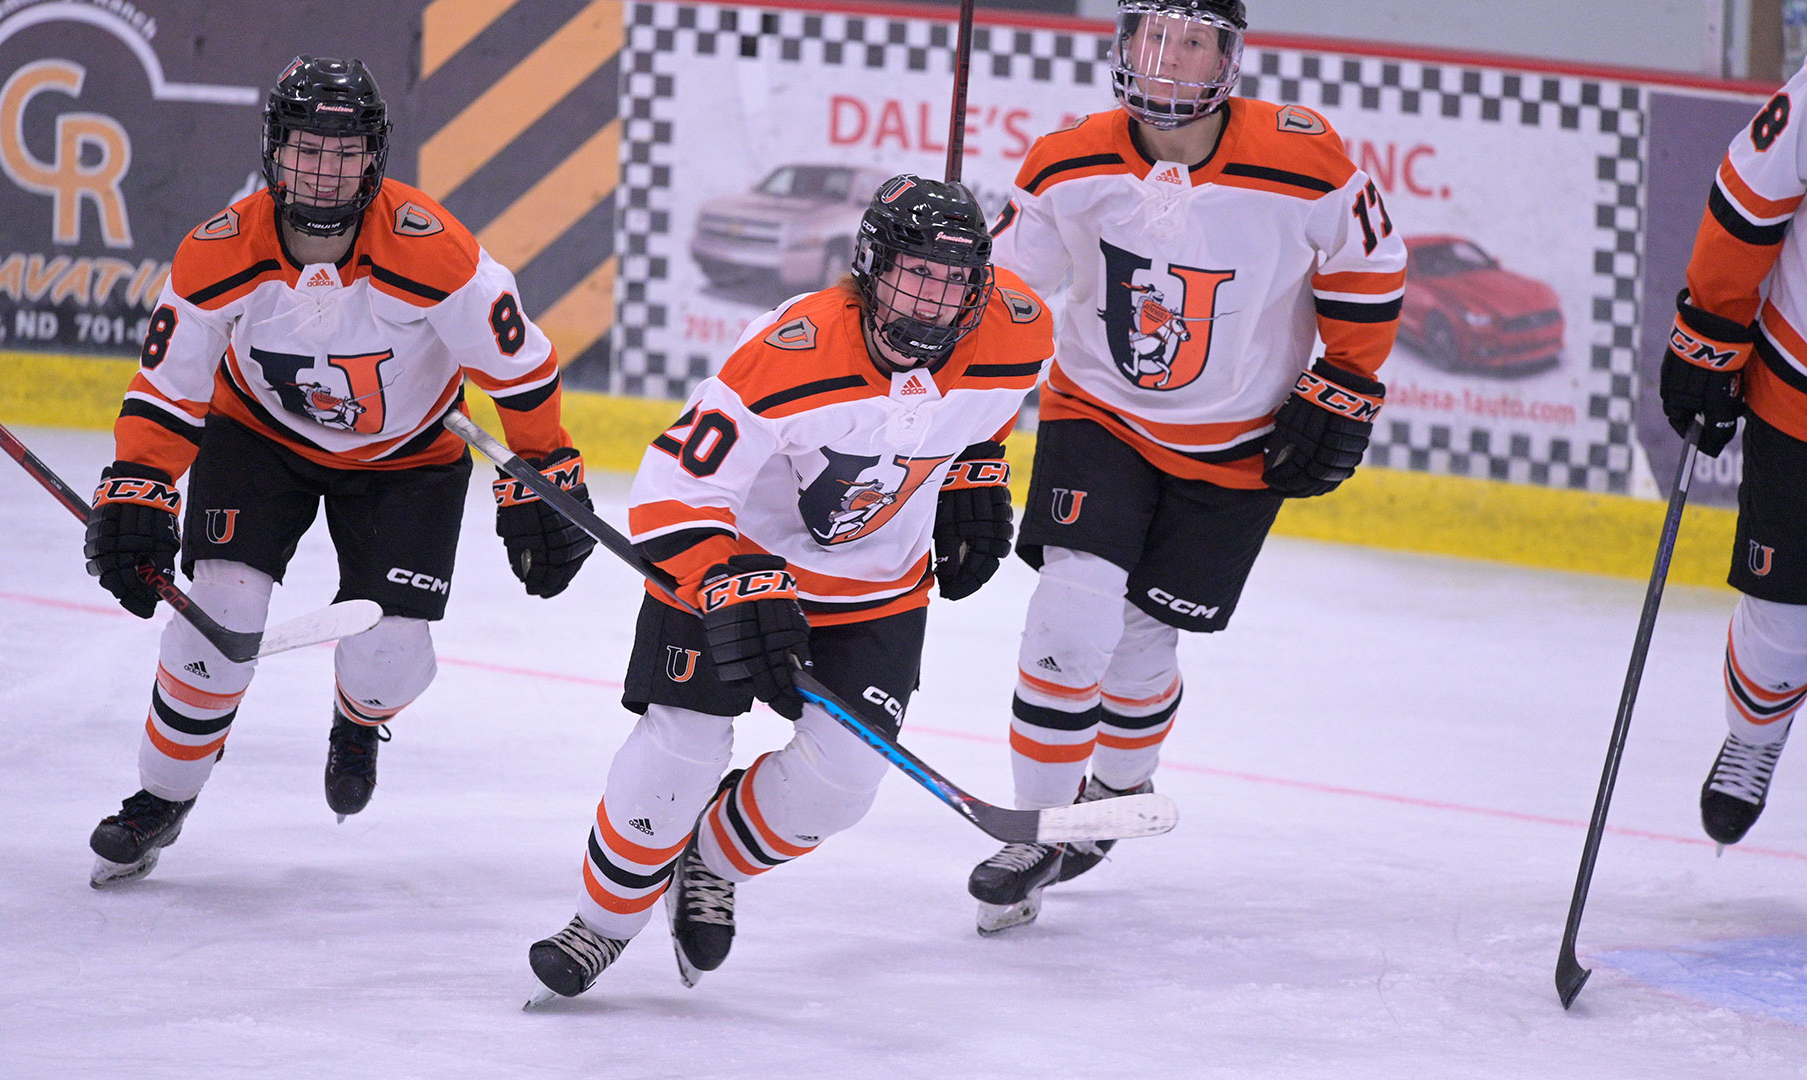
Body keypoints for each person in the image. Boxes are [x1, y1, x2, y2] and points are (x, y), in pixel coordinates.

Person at [523, 175, 1052, 1003]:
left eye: (955, 281)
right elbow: (670, 490)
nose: (933, 299)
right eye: (915, 273)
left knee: (842, 783)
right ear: (870, 266)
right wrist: (730, 578)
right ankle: (602, 923)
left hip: (876, 590)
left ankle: (707, 860)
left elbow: (985, 412)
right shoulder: (792, 352)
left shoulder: (1018, 332)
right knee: (682, 750)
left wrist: (975, 469)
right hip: (731, 576)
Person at [81, 55, 593, 887]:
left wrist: (546, 469)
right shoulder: (218, 251)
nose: (324, 171)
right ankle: (160, 798)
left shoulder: (438, 251)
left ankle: (357, 717)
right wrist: (139, 484)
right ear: (275, 151)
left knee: (388, 659)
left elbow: (521, 370)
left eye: (345, 151)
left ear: (375, 156)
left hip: (409, 459)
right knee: (221, 615)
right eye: (307, 149)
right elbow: (168, 390)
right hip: (256, 439)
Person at [967, 0, 1407, 932]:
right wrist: (966, 416)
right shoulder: (1067, 157)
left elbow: (1369, 268)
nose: (1166, 60)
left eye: (1192, 39)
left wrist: (1348, 382)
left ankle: (1119, 788)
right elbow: (1008, 298)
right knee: (1071, 607)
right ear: (1122, 46)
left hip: (1241, 442)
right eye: (1149, 37)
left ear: (1229, 55)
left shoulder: (1304, 156)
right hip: (1099, 416)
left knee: (1139, 641)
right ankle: (1034, 826)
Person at [1658, 65, 1807, 847]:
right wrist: (1711, 333)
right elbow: (1750, 202)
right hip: (1799, 402)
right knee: (1784, 616)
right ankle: (1754, 734)